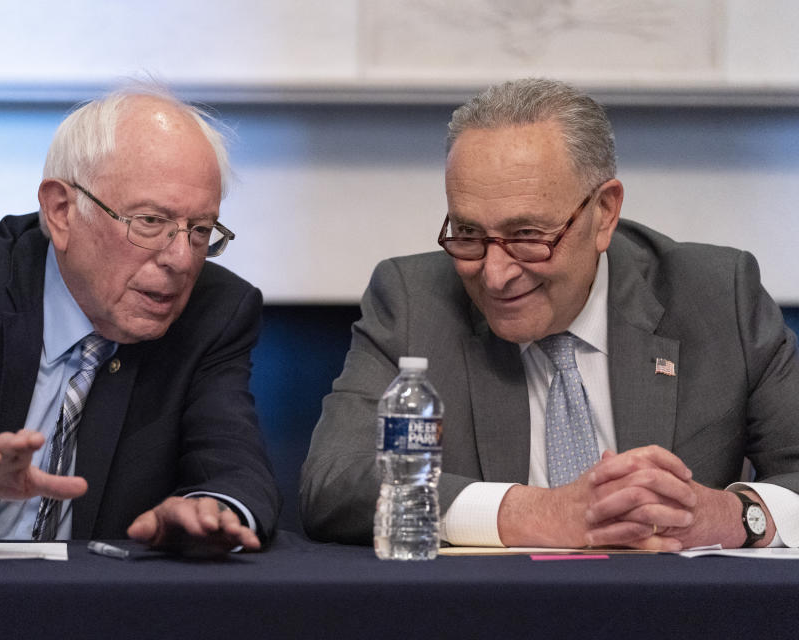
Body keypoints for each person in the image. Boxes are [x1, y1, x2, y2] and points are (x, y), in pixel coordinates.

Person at [300, 78, 799, 551]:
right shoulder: (413, 299)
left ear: (603, 213)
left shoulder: (715, 294)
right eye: (469, 233)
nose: (495, 274)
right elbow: (333, 483)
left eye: (527, 236)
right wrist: (532, 512)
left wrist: (734, 517)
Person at [0, 82, 279, 555]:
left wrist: (209, 510)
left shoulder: (216, 310)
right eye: (150, 221)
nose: (181, 258)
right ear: (62, 210)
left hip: (99, 611)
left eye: (200, 229)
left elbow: (237, 469)